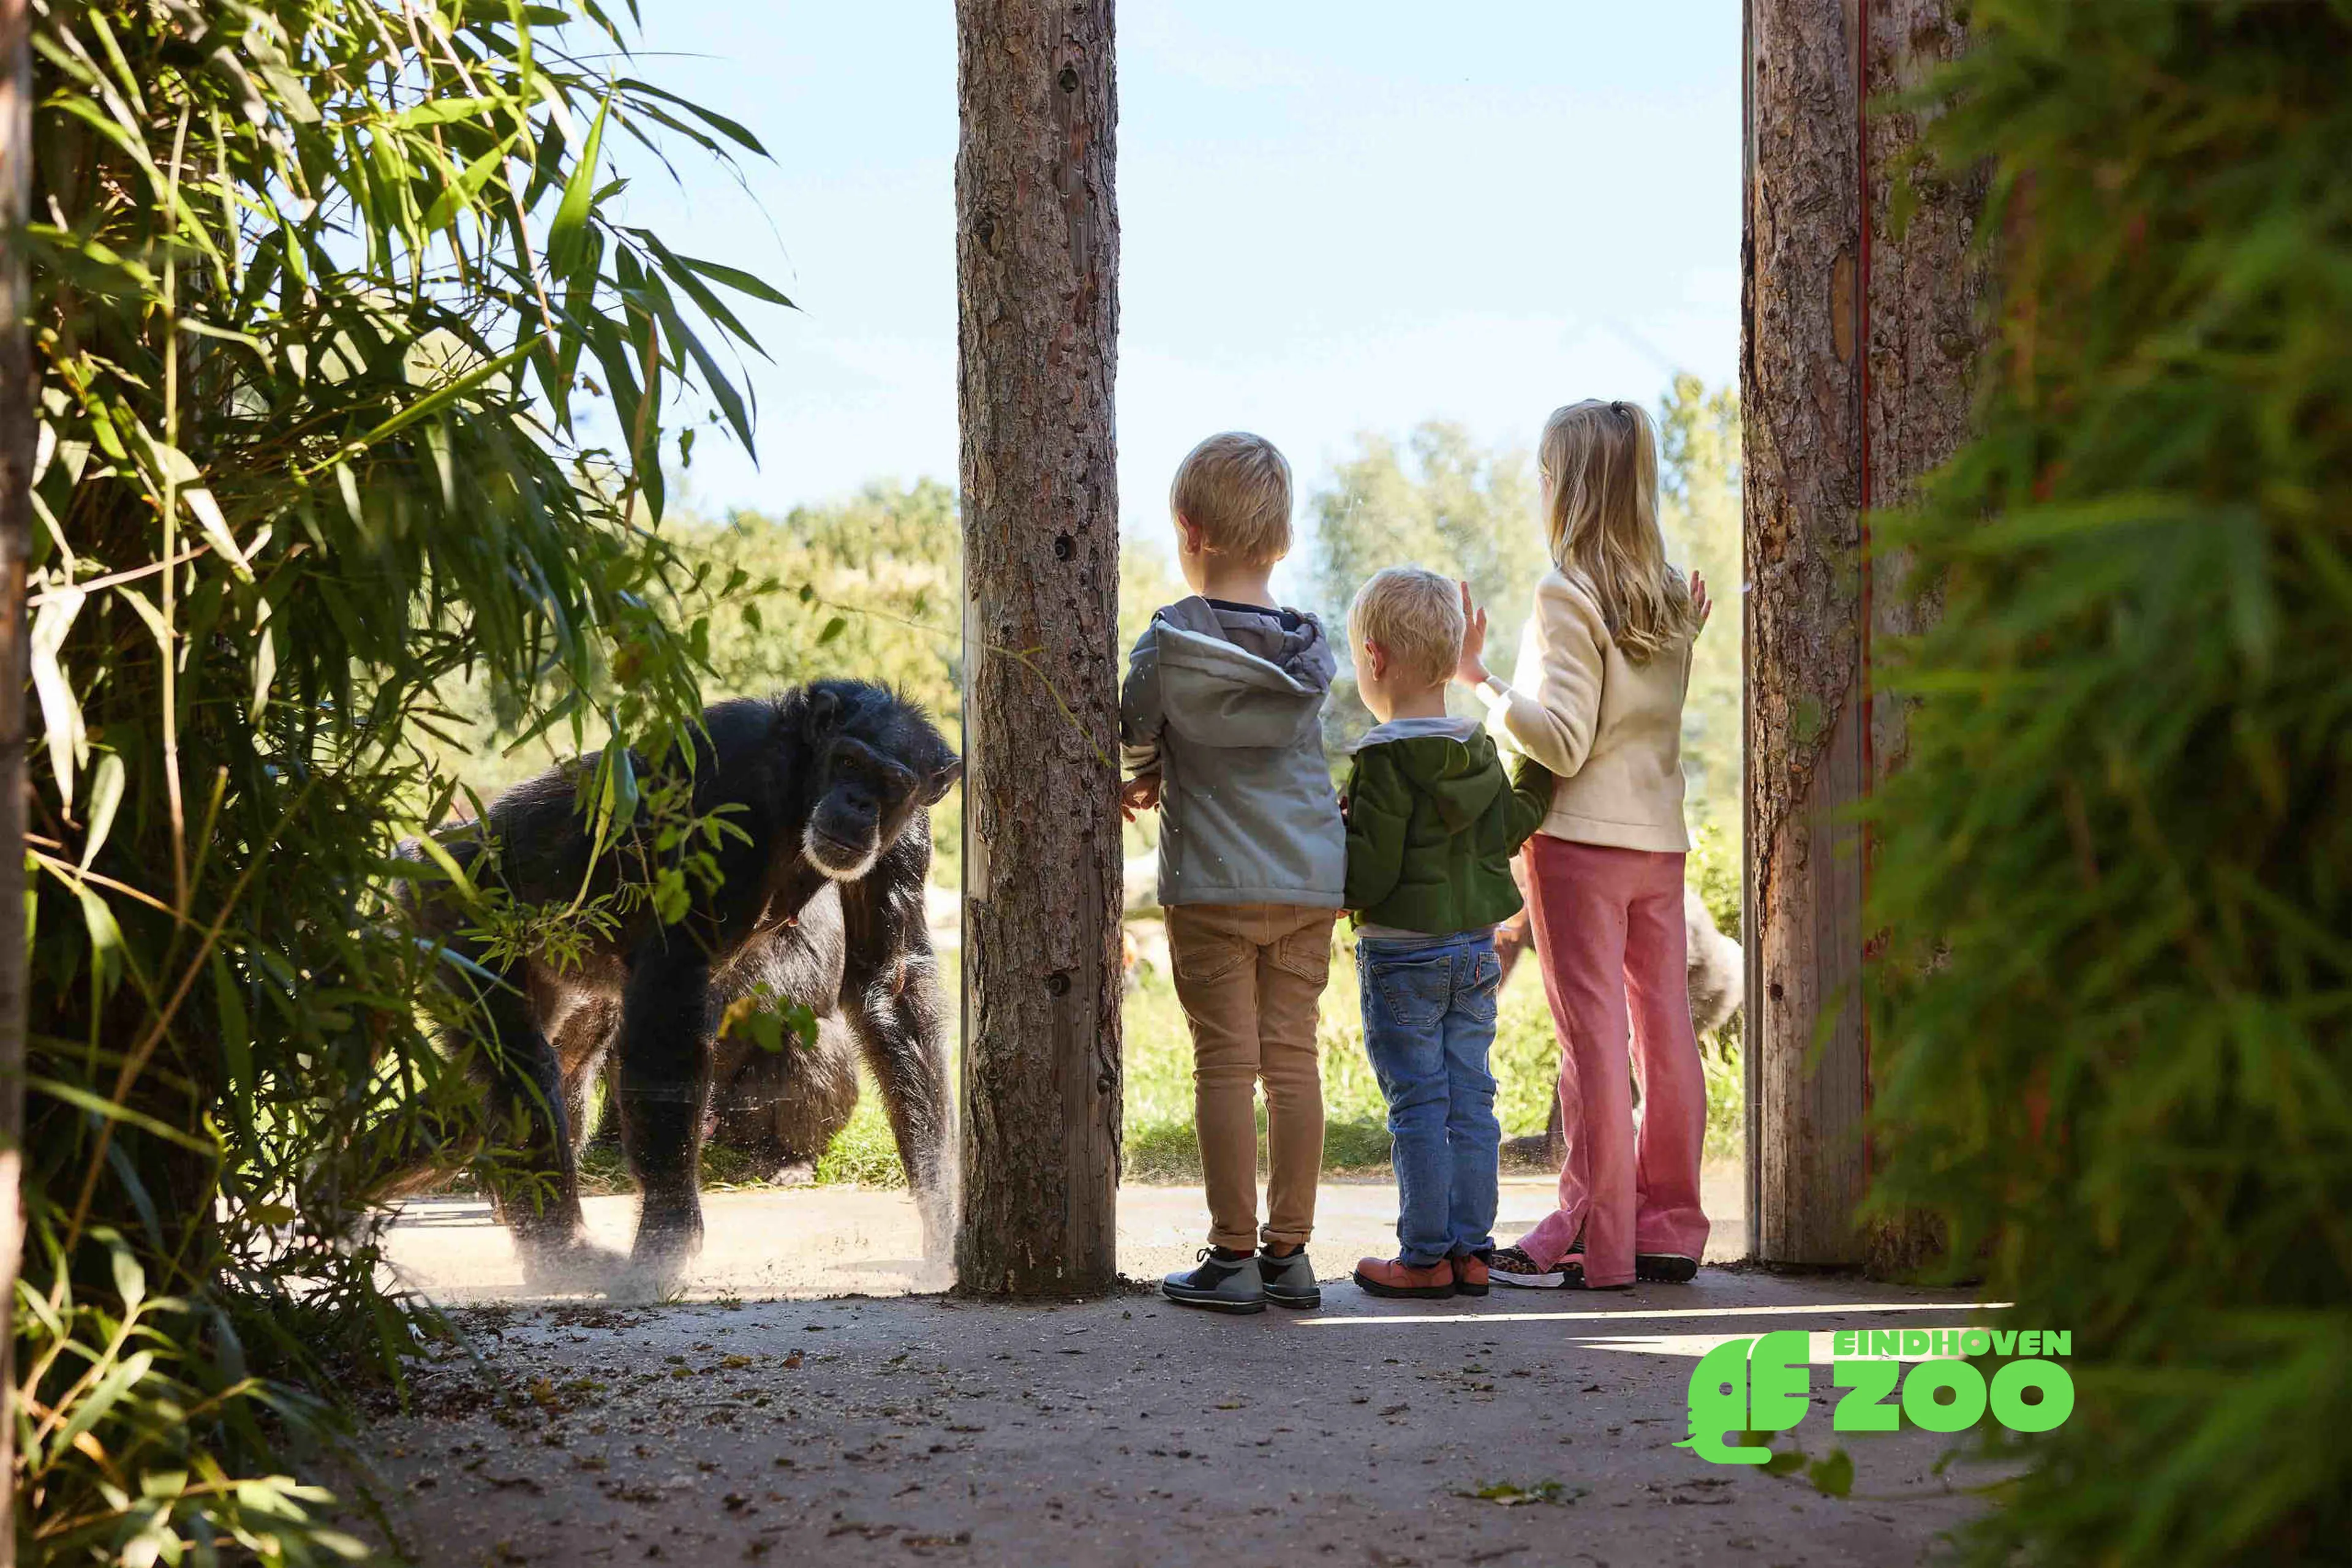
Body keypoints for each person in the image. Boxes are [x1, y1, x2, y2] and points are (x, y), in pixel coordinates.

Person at [1462, 399, 1715, 1291]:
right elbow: (1645, 715)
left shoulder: (1565, 592)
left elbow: (1564, 742)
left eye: (1543, 474)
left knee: (1594, 1042)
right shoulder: (1671, 593)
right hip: (1660, 842)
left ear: (1565, 487)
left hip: (1579, 846)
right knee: (1665, 1031)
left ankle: (1600, 1243)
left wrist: (1481, 680)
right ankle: (1670, 1227)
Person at [1119, 432, 1346, 1314]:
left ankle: (1231, 1256)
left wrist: (1148, 765)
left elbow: (1136, 730)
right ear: (1282, 542)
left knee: (1224, 1064)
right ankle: (1291, 1256)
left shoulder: (1170, 644)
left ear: (1187, 529)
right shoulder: (1307, 654)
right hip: (1304, 884)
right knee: (1293, 1062)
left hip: (1213, 883)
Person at [1340, 567, 1553, 1300]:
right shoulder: (1479, 751)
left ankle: (1424, 1255)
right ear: (1455, 651)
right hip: (1474, 951)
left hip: (1402, 959)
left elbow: (1368, 876)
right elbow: (1512, 825)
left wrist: (1332, 853)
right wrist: (1543, 771)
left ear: (1373, 657)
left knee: (1419, 1105)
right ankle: (1473, 1251)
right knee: (1472, 1100)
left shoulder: (1383, 758)